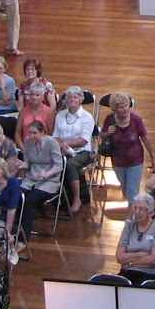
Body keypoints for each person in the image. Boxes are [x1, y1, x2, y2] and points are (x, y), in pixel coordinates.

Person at [99, 92, 155, 204]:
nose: (125, 109)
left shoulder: (136, 120)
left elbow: (145, 138)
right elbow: (102, 136)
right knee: (125, 189)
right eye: (121, 107)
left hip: (135, 161)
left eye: (126, 106)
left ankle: (132, 219)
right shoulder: (110, 119)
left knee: (132, 193)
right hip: (118, 162)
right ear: (114, 109)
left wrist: (153, 156)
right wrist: (107, 133)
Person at [53, 86, 96, 216]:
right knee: (54, 160)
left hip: (82, 151)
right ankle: (56, 196)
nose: (72, 99)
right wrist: (61, 146)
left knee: (70, 164)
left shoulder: (87, 117)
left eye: (75, 97)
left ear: (80, 100)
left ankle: (76, 198)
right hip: (63, 149)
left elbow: (84, 140)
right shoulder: (60, 115)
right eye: (69, 97)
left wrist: (65, 144)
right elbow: (55, 136)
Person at [116, 193, 155, 282]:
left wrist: (130, 263)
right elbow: (119, 257)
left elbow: (154, 259)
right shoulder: (129, 226)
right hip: (128, 272)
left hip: (151, 274)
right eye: (135, 208)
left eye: (141, 209)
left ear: (148, 211)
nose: (137, 212)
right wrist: (141, 254)